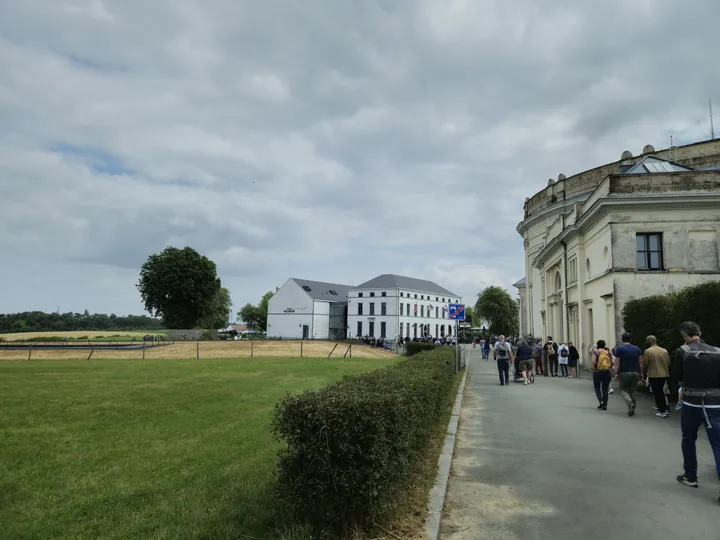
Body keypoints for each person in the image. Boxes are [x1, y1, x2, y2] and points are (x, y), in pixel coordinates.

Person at [671, 321, 720, 502]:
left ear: (685, 335)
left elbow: (676, 376)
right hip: (715, 404)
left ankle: (690, 476)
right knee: (718, 444)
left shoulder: (683, 351)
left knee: (689, 438)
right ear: (699, 333)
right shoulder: (717, 351)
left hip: (692, 403)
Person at [614, 333, 644, 417]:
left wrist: (616, 372)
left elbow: (617, 361)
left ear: (622, 339)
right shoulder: (637, 349)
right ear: (630, 339)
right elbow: (641, 361)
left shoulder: (619, 349)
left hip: (624, 372)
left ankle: (630, 403)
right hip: (635, 372)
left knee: (623, 389)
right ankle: (632, 409)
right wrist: (641, 372)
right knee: (633, 390)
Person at [644, 335, 671, 418]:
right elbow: (668, 362)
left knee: (657, 393)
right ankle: (665, 409)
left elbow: (646, 363)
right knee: (662, 392)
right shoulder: (664, 350)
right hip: (664, 374)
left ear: (649, 342)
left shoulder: (648, 351)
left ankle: (662, 410)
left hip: (654, 374)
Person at [592, 340, 613, 410]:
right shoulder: (608, 353)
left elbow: (593, 361)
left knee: (597, 387)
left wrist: (594, 367)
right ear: (604, 345)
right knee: (605, 389)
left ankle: (601, 401)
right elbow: (612, 362)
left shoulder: (596, 352)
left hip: (597, 372)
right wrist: (609, 368)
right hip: (607, 372)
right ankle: (605, 405)